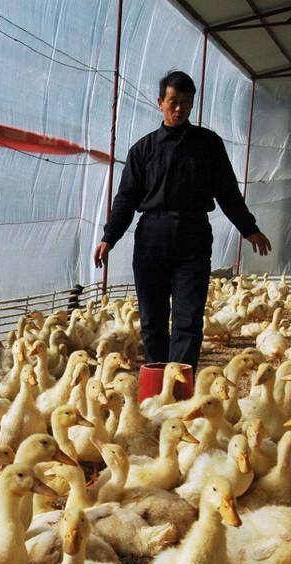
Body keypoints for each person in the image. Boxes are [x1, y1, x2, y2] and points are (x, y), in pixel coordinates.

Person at [93, 70, 271, 369]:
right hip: (152, 236)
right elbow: (126, 198)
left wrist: (249, 229)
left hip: (193, 236)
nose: (179, 108)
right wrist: (109, 236)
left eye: (186, 102)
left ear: (192, 105)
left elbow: (227, 192)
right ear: (160, 102)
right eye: (173, 101)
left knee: (188, 320)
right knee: (152, 320)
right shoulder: (143, 150)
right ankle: (155, 388)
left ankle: (180, 391)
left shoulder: (209, 145)